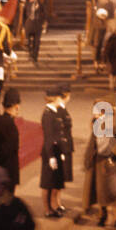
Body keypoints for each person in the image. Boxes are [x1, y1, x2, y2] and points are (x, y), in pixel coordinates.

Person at [75, 101, 116, 230]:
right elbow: (93, 141)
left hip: (114, 163)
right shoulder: (97, 123)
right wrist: (88, 159)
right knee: (101, 192)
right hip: (100, 162)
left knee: (115, 192)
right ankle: (103, 215)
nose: (93, 114)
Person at [39, 89, 66, 218]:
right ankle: (47, 209)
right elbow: (49, 137)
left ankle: (53, 206)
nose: (62, 99)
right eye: (60, 97)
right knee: (47, 182)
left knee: (54, 181)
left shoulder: (54, 112)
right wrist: (50, 156)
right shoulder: (48, 114)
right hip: (50, 152)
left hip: (56, 151)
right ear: (55, 98)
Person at [23, 0, 46, 65]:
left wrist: (43, 24)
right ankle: (30, 53)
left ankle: (35, 57)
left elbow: (44, 15)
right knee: (28, 41)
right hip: (29, 24)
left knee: (37, 42)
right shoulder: (27, 4)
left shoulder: (40, 4)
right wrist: (23, 26)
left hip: (37, 24)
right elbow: (23, 15)